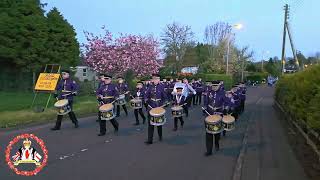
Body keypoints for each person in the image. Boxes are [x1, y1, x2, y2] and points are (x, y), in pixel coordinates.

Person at [203, 81, 225, 156]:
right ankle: (209, 151)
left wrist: (224, 110)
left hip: (218, 115)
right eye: (213, 86)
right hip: (209, 115)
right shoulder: (209, 92)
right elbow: (206, 101)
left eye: (216, 86)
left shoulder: (222, 93)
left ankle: (216, 142)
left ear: (219, 86)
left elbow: (226, 102)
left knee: (216, 133)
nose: (214, 87)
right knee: (208, 132)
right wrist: (205, 108)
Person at [144, 74, 167, 145]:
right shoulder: (149, 87)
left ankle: (160, 136)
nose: (156, 80)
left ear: (159, 80)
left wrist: (165, 103)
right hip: (151, 107)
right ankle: (150, 140)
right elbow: (146, 95)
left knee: (159, 123)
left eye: (157, 79)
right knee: (150, 123)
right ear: (152, 80)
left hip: (159, 107)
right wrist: (145, 100)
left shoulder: (162, 87)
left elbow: (165, 97)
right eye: (154, 79)